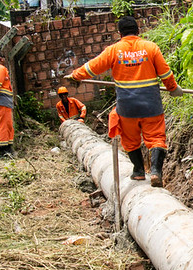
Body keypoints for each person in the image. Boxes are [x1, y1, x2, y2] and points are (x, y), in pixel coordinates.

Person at [65, 16, 183, 186]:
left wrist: (76, 76)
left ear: (119, 34)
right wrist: (173, 88)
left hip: (127, 108)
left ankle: (139, 172)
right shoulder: (151, 48)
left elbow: (92, 67)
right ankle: (156, 172)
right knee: (156, 138)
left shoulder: (113, 51)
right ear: (138, 31)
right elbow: (165, 74)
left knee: (130, 140)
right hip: (151, 106)